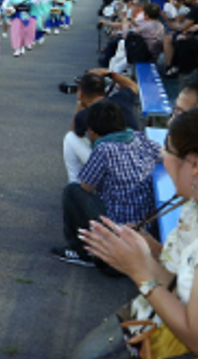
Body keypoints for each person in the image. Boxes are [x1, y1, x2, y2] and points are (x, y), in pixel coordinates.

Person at [80, 108, 198, 358]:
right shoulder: (191, 206)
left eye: (167, 149)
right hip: (150, 319)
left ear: (194, 165)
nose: (161, 156)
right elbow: (179, 287)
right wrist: (145, 252)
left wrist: (140, 271)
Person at [54, 99, 161, 270]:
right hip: (144, 241)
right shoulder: (139, 138)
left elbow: (86, 186)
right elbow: (163, 153)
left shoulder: (103, 150)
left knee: (72, 191)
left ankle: (82, 252)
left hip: (115, 249)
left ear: (93, 132)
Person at [64, 69, 141, 184]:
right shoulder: (123, 97)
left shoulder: (86, 114)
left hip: (110, 164)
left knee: (70, 138)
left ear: (81, 94)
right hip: (135, 160)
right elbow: (133, 85)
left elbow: (76, 130)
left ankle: (75, 183)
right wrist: (110, 73)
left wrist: (80, 104)